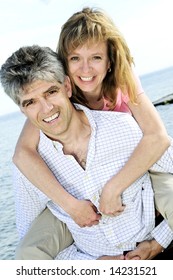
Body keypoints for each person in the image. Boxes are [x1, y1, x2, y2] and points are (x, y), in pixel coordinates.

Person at [7, 7, 173, 258]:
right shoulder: (50, 99)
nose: (85, 70)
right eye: (75, 59)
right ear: (64, 67)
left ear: (109, 61)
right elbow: (22, 155)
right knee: (29, 253)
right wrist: (70, 205)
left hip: (140, 161)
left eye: (96, 57)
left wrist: (114, 188)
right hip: (82, 210)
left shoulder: (122, 81)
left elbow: (157, 137)